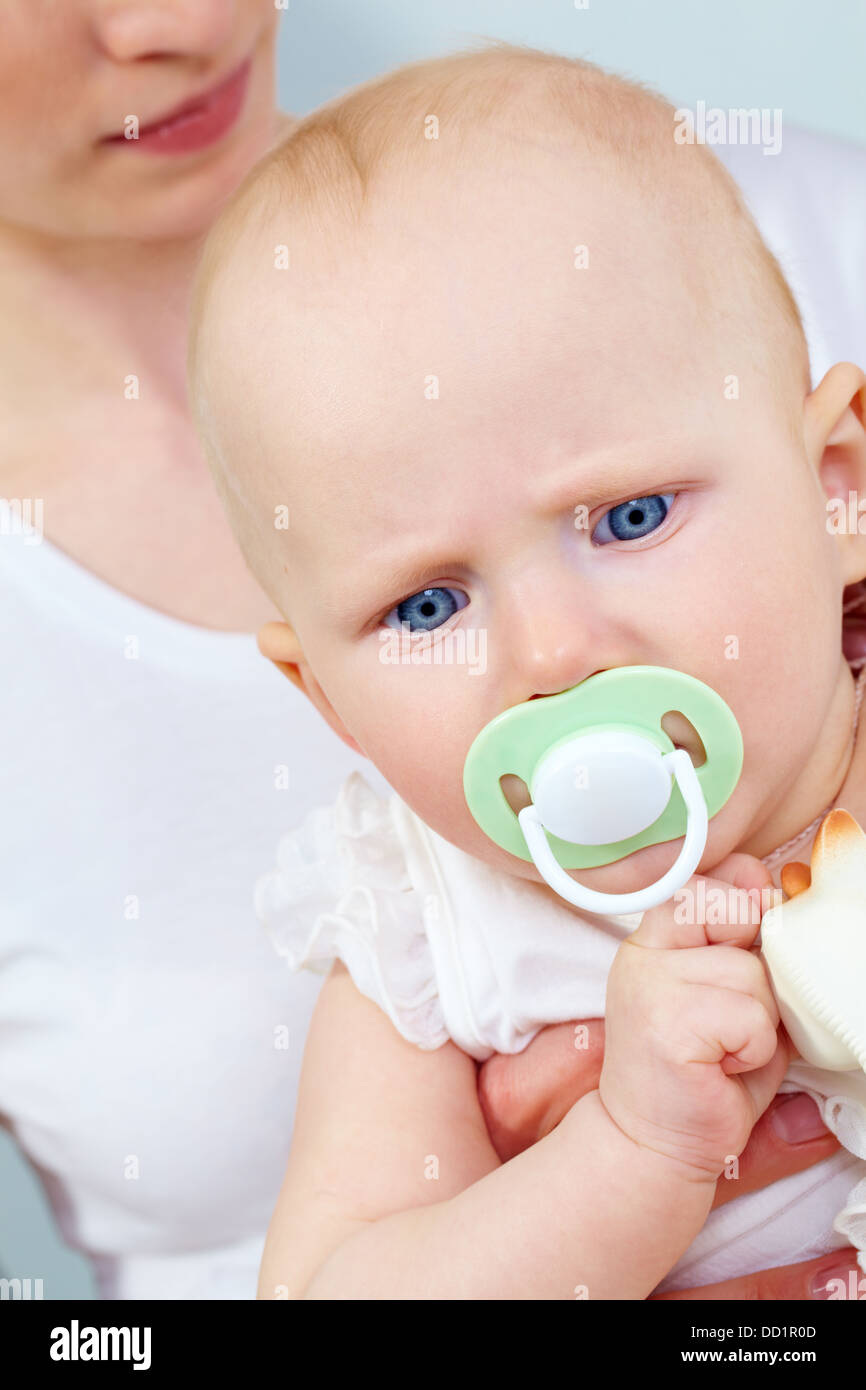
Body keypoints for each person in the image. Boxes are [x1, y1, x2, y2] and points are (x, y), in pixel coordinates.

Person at [0, 5, 848, 1302]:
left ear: (835, 489)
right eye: (424, 607)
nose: (552, 652)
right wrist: (634, 1150)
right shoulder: (434, 934)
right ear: (326, 702)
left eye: (628, 518)